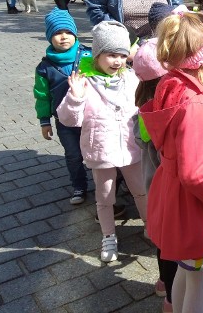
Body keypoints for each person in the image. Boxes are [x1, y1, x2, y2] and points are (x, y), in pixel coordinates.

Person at [139, 6, 203, 313]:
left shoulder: (172, 84)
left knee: (185, 271)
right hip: (194, 210)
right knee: (199, 280)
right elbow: (194, 173)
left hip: (174, 198)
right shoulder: (194, 106)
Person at [56, 21, 147, 263]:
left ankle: (151, 226)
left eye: (121, 55)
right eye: (111, 55)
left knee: (141, 191)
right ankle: (108, 235)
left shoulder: (131, 78)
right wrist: (75, 98)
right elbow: (68, 119)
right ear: (97, 55)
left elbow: (142, 106)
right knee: (105, 197)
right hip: (102, 150)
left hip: (131, 148)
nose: (117, 61)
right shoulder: (84, 82)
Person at [132, 37, 176, 312]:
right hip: (169, 190)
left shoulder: (142, 107)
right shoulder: (163, 111)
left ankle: (163, 282)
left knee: (161, 241)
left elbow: (138, 138)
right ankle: (172, 293)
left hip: (153, 191)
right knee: (171, 243)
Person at [33, 8, 92, 205]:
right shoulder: (44, 67)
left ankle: (111, 182)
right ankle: (79, 186)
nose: (64, 37)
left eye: (68, 32)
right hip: (64, 120)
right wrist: (44, 121)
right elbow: (42, 96)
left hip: (90, 116)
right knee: (74, 155)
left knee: (98, 150)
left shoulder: (88, 55)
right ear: (49, 37)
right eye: (57, 33)